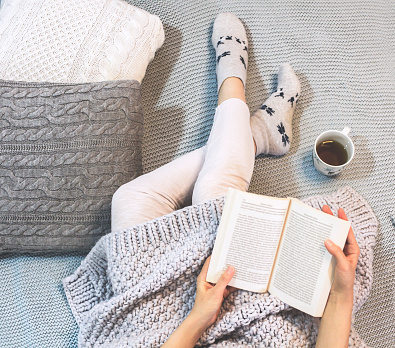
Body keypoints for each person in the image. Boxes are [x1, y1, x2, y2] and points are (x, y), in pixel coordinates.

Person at [110, 12, 359, 347]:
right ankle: (247, 108)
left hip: (158, 329)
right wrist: (342, 294)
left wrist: (199, 317)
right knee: (215, 196)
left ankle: (248, 115)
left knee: (130, 200)